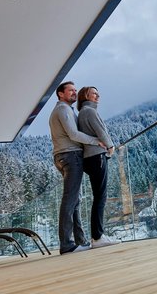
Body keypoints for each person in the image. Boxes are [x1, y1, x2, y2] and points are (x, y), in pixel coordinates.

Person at [49, 81, 105, 254]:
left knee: (75, 199)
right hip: (70, 155)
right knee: (70, 199)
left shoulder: (65, 110)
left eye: (75, 90)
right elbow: (73, 134)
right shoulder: (63, 110)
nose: (74, 93)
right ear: (60, 94)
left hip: (64, 155)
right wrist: (97, 141)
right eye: (70, 90)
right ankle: (66, 244)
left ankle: (79, 241)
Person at [77, 86, 120, 248]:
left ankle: (97, 235)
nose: (98, 96)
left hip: (89, 158)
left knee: (98, 196)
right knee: (100, 197)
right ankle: (97, 236)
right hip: (96, 156)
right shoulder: (89, 111)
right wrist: (110, 146)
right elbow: (101, 131)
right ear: (85, 96)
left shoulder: (82, 112)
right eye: (94, 93)